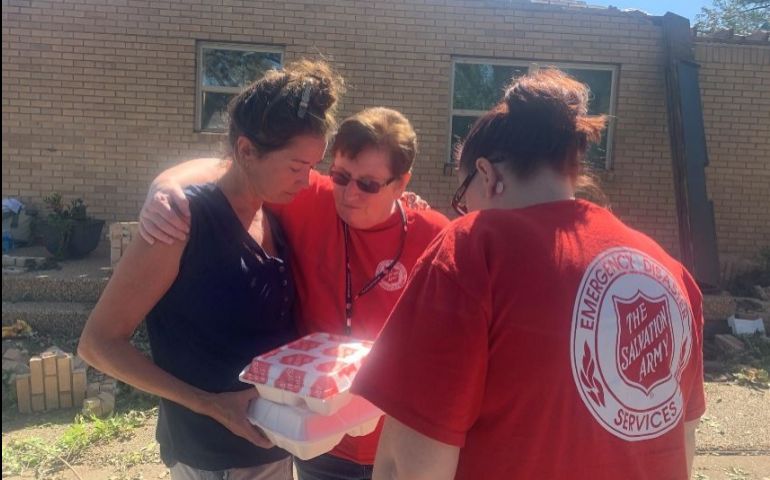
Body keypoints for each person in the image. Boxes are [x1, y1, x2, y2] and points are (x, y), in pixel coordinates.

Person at [351, 69, 706, 480]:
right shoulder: (669, 270)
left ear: (488, 175)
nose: (462, 213)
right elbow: (682, 439)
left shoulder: (471, 248)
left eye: (463, 199)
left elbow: (410, 463)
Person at [140, 107, 450, 480]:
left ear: (401, 184)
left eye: (368, 185)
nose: (349, 194)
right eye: (340, 176)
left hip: (395, 438)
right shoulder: (309, 199)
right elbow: (235, 167)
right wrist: (166, 184)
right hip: (317, 438)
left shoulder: (434, 235)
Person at [78, 59, 343, 480]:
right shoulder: (181, 221)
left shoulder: (273, 214)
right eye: (297, 167)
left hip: (274, 446)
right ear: (245, 150)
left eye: (313, 166)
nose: (307, 181)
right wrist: (209, 403)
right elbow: (97, 345)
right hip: (212, 459)